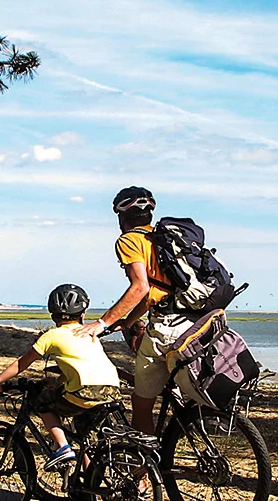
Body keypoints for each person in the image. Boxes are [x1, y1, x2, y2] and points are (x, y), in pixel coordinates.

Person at [75, 186, 194, 435]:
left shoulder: (129, 240)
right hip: (193, 320)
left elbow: (140, 286)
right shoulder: (164, 238)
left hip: (167, 327)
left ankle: (143, 470)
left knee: (140, 405)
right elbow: (156, 289)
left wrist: (102, 323)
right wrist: (129, 321)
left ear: (121, 217)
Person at [0, 284, 120, 470]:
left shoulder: (52, 336)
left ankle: (63, 447)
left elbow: (22, 363)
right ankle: (91, 484)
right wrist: (58, 381)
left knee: (40, 402)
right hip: (112, 390)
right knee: (84, 438)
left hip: (84, 391)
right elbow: (83, 365)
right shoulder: (90, 334)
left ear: (52, 315)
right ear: (82, 314)